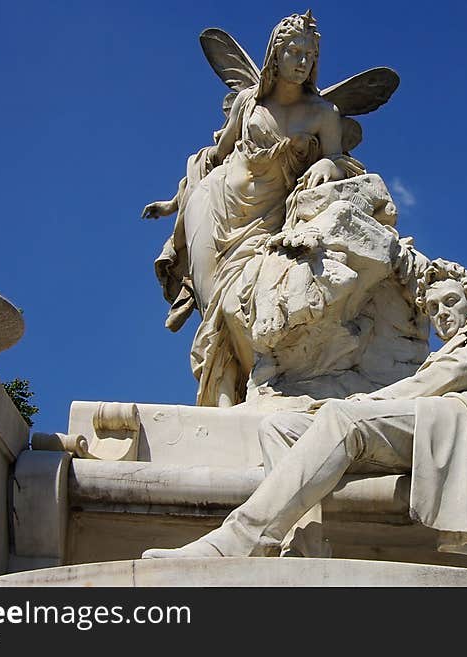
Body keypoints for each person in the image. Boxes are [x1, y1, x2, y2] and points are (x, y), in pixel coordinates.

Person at [142, 259, 467, 567]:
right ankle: (303, 551)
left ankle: (241, 537)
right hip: (428, 426)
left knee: (341, 419)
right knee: (281, 425)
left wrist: (365, 403)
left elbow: (451, 375)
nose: (441, 315)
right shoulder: (438, 354)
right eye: (431, 309)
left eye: (449, 302)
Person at [153, 11, 364, 407]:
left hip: (268, 218)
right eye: (294, 51)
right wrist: (175, 203)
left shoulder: (323, 114)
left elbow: (339, 161)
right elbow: (215, 156)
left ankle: (254, 393)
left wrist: (325, 162)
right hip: (213, 206)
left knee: (239, 303)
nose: (302, 61)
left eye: (310, 54)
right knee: (213, 303)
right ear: (275, 54)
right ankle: (220, 399)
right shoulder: (249, 102)